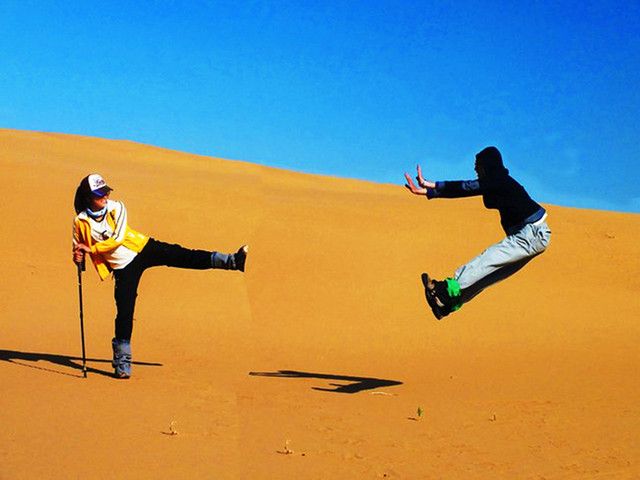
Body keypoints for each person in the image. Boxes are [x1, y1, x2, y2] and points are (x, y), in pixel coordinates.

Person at [72, 173, 248, 378]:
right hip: (122, 268)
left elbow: (118, 238)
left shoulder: (117, 207)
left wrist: (91, 249)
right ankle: (122, 363)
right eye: (99, 194)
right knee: (125, 312)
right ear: (88, 197)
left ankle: (232, 261)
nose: (105, 197)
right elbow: (78, 247)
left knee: (182, 255)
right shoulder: (80, 221)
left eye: (106, 192)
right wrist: (79, 257)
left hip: (142, 248)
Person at [404, 146, 551, 320]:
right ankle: (447, 304)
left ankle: (442, 290)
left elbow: (467, 187)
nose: (475, 169)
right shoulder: (495, 183)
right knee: (488, 276)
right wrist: (432, 192)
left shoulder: (499, 179)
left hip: (531, 233)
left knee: (487, 259)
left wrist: (433, 186)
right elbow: (467, 190)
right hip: (530, 236)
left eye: (478, 165)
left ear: (489, 165)